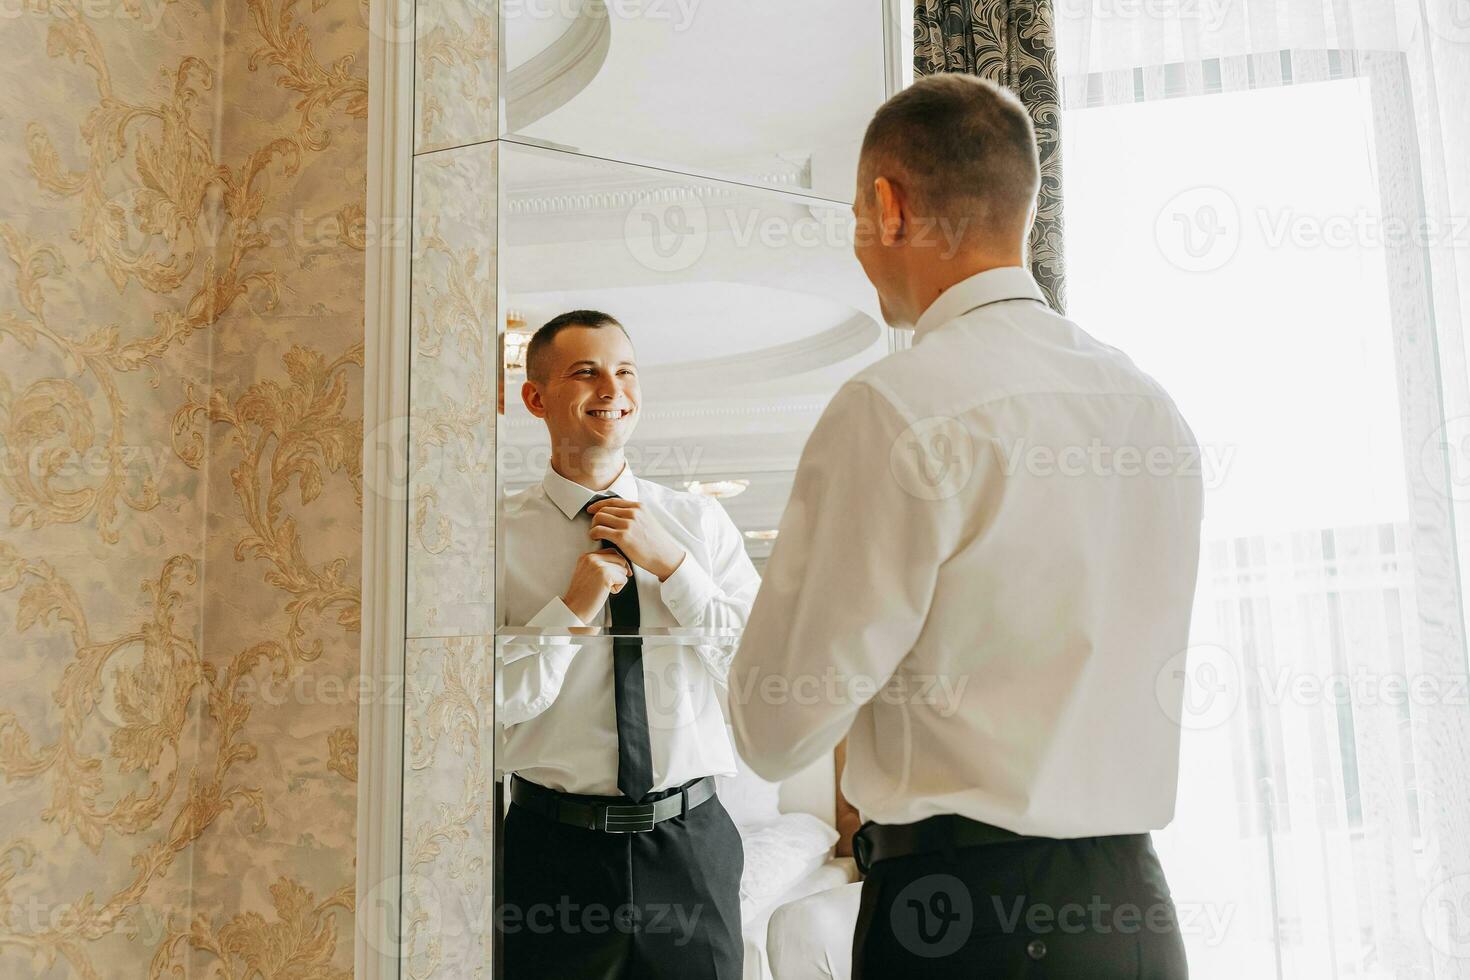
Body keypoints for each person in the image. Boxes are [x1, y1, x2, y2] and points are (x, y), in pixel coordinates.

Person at [729, 74, 1203, 978]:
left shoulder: (896, 409)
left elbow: (776, 723)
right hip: (1134, 918)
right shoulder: (1151, 410)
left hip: (962, 921)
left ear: (888, 206)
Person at [497, 310, 758, 979]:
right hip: (550, 851)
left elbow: (757, 673)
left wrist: (675, 568)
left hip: (689, 846)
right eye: (585, 372)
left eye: (625, 371)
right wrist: (572, 608)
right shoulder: (493, 536)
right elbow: (487, 699)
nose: (611, 388)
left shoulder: (699, 524)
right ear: (535, 397)